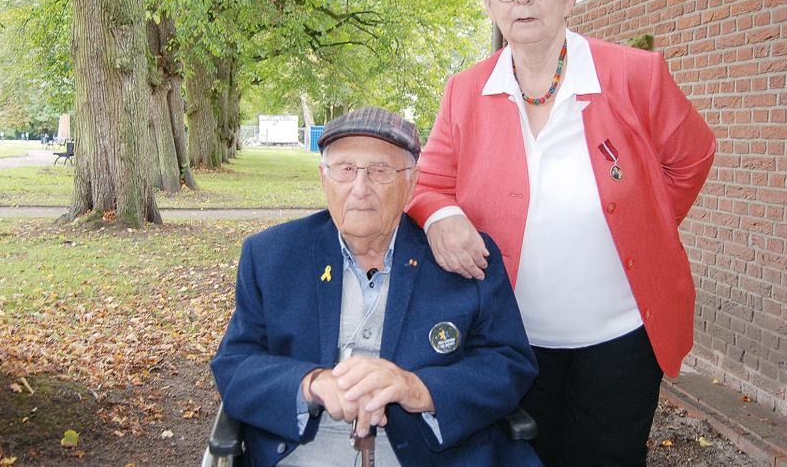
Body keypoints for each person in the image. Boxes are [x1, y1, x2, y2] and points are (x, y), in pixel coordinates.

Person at [406, 0, 716, 466]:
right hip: (511, 337)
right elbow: (427, 183)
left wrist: (644, 224)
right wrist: (441, 217)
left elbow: (692, 156)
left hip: (620, 333)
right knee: (527, 456)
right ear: (489, 1)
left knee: (610, 456)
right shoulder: (465, 91)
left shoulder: (633, 75)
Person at [212, 107, 541, 467]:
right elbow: (236, 364)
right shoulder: (272, 255)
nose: (360, 188)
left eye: (380, 171)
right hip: (304, 452)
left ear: (411, 183)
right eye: (345, 169)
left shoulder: (462, 257)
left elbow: (509, 363)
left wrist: (419, 389)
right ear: (324, 178)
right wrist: (311, 384)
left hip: (432, 453)